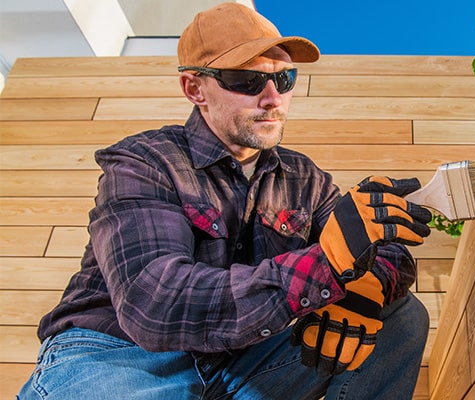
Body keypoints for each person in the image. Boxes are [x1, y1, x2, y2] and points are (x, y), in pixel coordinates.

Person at [17, 3, 433, 399]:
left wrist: (365, 289)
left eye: (283, 79)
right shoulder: (145, 162)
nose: (272, 98)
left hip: (240, 363)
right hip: (120, 358)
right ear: (194, 88)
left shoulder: (305, 178)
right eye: (246, 81)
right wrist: (325, 265)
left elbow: (383, 249)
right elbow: (156, 301)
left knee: (400, 317)